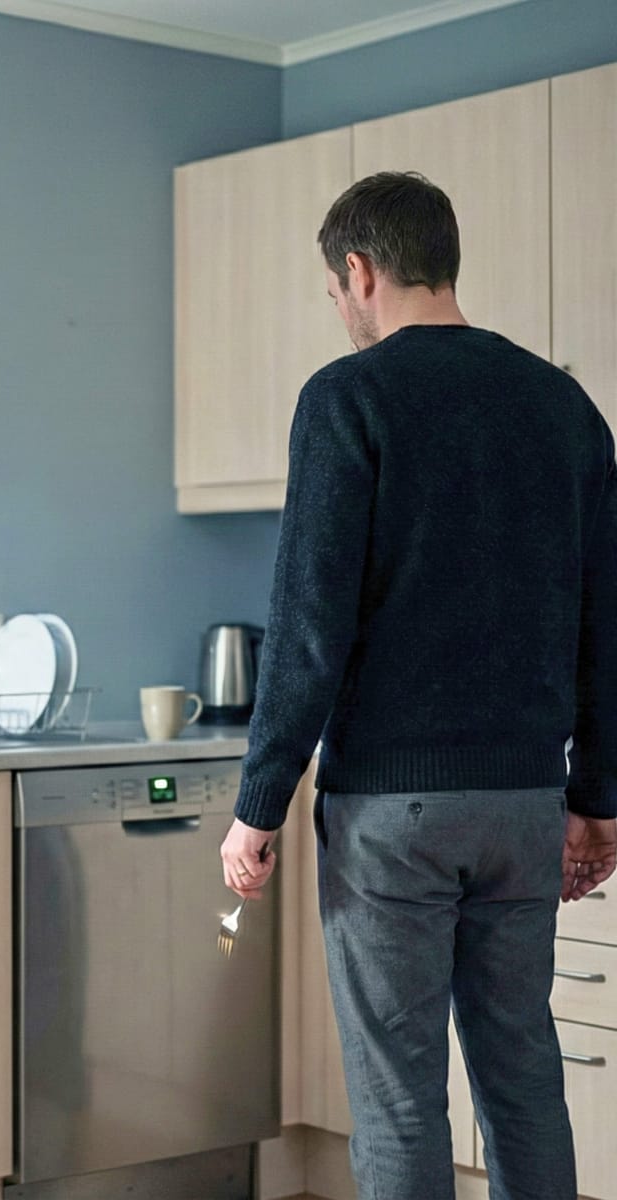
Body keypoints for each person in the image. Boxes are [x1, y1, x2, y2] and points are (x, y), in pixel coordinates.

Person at [218, 171, 617, 1200]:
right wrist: (596, 798)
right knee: (525, 1079)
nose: (340, 309)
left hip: (392, 813)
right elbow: (603, 627)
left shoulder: (349, 398)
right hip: (525, 805)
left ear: (359, 270)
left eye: (334, 287)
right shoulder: (566, 408)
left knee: (401, 1100)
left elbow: (311, 626)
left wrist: (258, 806)